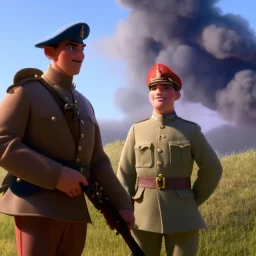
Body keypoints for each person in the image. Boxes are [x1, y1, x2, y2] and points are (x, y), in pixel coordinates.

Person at [0, 22, 134, 256]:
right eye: (71, 47)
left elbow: (98, 161)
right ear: (49, 52)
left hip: (74, 211)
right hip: (36, 206)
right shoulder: (26, 91)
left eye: (82, 48)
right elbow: (3, 142)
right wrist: (57, 175)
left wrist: (122, 204)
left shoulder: (84, 103)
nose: (80, 55)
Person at [116, 63, 223, 256]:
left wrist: (191, 200)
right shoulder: (137, 130)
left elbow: (213, 168)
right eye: (154, 88)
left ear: (177, 94)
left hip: (183, 215)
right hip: (143, 215)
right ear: (149, 95)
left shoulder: (191, 130)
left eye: (166, 87)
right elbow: (125, 173)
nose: (159, 92)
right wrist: (126, 207)